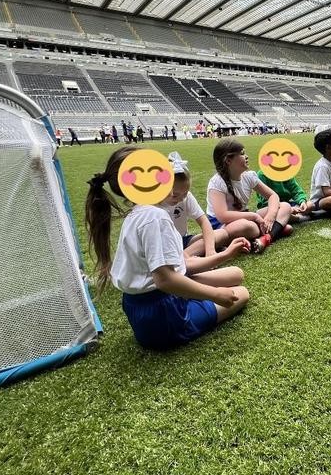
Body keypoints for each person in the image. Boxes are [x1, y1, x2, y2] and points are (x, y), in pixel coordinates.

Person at [84, 146, 249, 350]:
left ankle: (199, 294)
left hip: (145, 308)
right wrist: (214, 295)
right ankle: (197, 303)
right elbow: (165, 280)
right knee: (241, 293)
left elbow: (175, 269)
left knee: (236, 274)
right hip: (165, 315)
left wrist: (225, 254)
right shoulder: (156, 217)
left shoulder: (138, 213)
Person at [159, 152, 251, 266]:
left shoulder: (185, 197)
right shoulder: (153, 207)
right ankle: (184, 259)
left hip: (183, 240)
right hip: (163, 246)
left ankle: (188, 257)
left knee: (219, 234)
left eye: (185, 194)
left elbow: (203, 221)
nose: (181, 199)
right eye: (175, 195)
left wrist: (210, 251)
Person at [207, 139, 294, 253]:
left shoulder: (249, 176)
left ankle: (266, 238)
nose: (246, 156)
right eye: (242, 154)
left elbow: (273, 196)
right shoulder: (217, 182)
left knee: (285, 206)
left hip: (245, 216)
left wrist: (270, 216)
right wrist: (254, 216)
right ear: (228, 160)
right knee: (248, 226)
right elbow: (222, 216)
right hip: (221, 225)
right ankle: (276, 229)